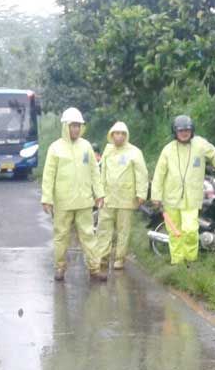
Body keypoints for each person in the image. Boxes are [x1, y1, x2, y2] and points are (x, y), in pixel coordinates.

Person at [151, 115, 215, 265]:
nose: (184, 133)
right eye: (181, 131)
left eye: (187, 130)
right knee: (175, 233)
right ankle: (177, 262)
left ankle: (190, 260)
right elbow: (159, 174)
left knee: (190, 230)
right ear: (175, 132)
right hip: (171, 199)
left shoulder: (200, 144)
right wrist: (156, 196)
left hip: (192, 198)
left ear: (192, 130)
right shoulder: (168, 150)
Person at [41, 107, 107, 281]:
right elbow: (48, 175)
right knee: (61, 236)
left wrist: (99, 194)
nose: (76, 129)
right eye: (73, 126)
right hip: (63, 202)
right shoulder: (55, 148)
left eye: (78, 126)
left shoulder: (86, 146)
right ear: (66, 126)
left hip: (84, 201)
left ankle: (94, 268)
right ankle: (60, 267)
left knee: (88, 236)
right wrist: (47, 198)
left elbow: (94, 172)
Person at [95, 121, 148, 270]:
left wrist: (141, 193)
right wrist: (99, 193)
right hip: (108, 197)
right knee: (103, 228)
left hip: (126, 198)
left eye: (122, 134)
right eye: (116, 133)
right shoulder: (108, 150)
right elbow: (102, 172)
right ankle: (102, 256)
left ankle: (120, 258)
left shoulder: (134, 152)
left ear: (126, 136)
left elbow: (141, 174)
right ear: (111, 135)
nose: (119, 137)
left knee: (123, 230)